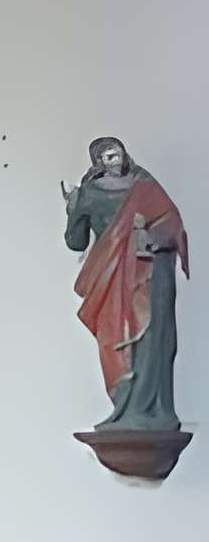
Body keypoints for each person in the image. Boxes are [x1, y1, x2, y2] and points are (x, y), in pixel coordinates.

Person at [63, 137, 189, 430]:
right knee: (113, 340)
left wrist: (154, 236)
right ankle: (124, 408)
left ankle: (152, 413)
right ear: (98, 162)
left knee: (150, 340)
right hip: (109, 278)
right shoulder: (89, 195)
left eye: (117, 154)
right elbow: (76, 241)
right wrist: (73, 211)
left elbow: (172, 220)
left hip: (147, 275)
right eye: (107, 157)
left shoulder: (144, 186)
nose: (114, 160)